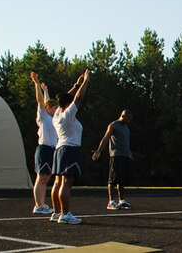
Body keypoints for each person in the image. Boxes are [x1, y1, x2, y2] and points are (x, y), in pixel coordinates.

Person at [51, 69, 91, 225]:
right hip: (70, 149)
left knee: (58, 182)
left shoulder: (57, 115)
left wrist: (76, 84)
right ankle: (65, 214)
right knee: (67, 183)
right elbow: (78, 98)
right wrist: (86, 81)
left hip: (60, 149)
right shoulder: (68, 114)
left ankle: (56, 212)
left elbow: (64, 98)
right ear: (68, 104)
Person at [92, 110, 134, 210]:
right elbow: (105, 138)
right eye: (128, 119)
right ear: (123, 116)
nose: (129, 121)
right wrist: (98, 151)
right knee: (113, 179)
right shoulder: (113, 125)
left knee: (122, 179)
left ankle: (122, 201)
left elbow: (125, 142)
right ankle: (111, 202)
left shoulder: (125, 127)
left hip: (124, 156)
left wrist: (129, 153)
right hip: (116, 155)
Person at [29, 72, 59, 214]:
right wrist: (36, 83)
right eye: (54, 108)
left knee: (46, 178)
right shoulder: (42, 115)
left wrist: (46, 90)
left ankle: (42, 204)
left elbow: (47, 101)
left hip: (52, 149)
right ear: (49, 109)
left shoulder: (52, 118)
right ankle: (38, 205)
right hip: (44, 149)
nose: (56, 111)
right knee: (42, 178)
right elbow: (41, 102)